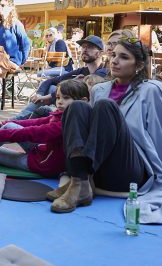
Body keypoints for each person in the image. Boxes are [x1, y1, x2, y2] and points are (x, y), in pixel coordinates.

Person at [48, 37, 162, 223]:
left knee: (105, 106)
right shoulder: (99, 89)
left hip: (129, 169)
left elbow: (158, 135)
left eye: (124, 57)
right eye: (114, 55)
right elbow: (88, 131)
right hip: (97, 169)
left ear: (139, 66)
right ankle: (79, 181)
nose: (115, 61)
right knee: (77, 106)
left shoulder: (152, 90)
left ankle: (80, 182)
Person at [0, 80, 89, 177]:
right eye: (58, 98)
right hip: (41, 152)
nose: (60, 102)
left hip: (45, 165)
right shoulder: (61, 114)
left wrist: (2, 135)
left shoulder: (68, 123)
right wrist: (3, 123)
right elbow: (37, 122)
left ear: (83, 102)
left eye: (66, 98)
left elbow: (35, 133)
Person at [14, 34, 108, 120]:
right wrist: (40, 93)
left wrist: (48, 97)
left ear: (100, 53)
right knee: (51, 88)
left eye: (90, 47)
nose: (85, 50)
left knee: (46, 105)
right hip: (68, 108)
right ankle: (16, 121)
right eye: (83, 47)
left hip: (84, 115)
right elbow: (50, 81)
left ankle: (16, 122)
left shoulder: (103, 72)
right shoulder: (81, 71)